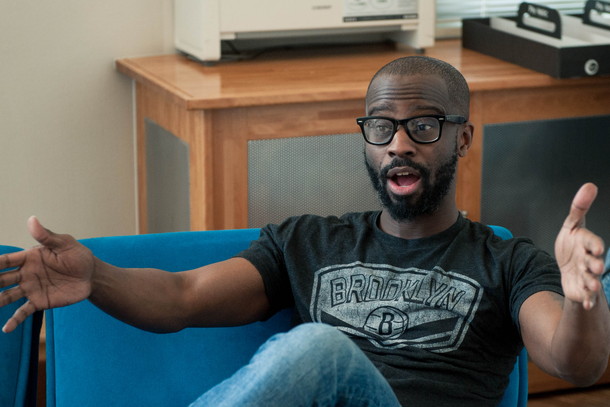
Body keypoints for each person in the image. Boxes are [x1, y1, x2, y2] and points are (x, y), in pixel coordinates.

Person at [1, 56, 609, 407]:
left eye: (423, 126)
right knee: (314, 351)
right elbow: (183, 297)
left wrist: (583, 300)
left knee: (318, 349)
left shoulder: (507, 260)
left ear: (463, 137)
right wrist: (96, 276)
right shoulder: (309, 243)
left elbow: (574, 363)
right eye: (381, 127)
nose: (398, 144)